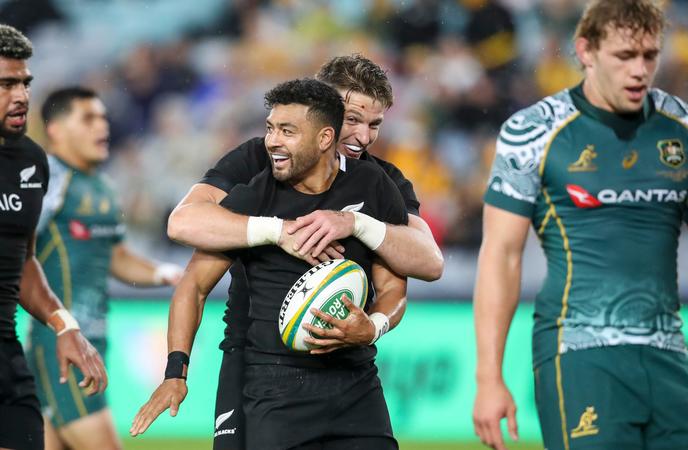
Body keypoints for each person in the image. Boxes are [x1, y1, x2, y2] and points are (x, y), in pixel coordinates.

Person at [472, 1, 688, 450]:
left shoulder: (685, 128)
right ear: (585, 50)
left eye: (650, 55)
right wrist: (489, 378)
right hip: (577, 354)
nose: (640, 70)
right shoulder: (533, 133)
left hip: (669, 353)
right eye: (625, 56)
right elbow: (501, 256)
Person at [166, 54, 442, 449]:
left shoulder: (380, 181)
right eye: (352, 119)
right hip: (253, 354)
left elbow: (429, 262)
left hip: (347, 368)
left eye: (375, 125)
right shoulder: (260, 160)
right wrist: (278, 231)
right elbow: (183, 222)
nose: (363, 137)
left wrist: (358, 224)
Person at [25, 87, 183, 450]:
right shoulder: (47, 180)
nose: (103, 126)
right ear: (56, 129)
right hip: (60, 343)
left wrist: (163, 273)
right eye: (88, 118)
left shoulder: (102, 187)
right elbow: (16, 246)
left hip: (92, 340)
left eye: (103, 117)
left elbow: (114, 256)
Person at [0, 25, 107, 450]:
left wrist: (65, 325)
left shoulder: (30, 161)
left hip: (6, 354)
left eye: (24, 82)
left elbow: (22, 261)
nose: (22, 95)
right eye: (6, 84)